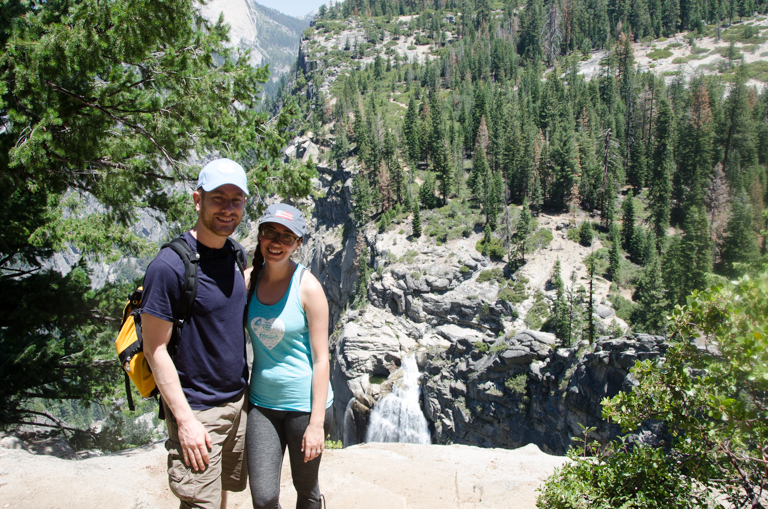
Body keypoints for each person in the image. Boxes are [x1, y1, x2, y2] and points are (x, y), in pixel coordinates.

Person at [142, 158, 250, 509]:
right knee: (198, 502)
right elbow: (154, 349)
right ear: (197, 199)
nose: (228, 209)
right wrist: (185, 421)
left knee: (219, 496)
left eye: (236, 200)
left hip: (237, 404)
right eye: (218, 198)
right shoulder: (169, 267)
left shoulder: (236, 254)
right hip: (198, 410)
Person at [245, 203, 333, 509]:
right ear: (260, 236)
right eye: (270, 232)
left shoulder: (309, 288)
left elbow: (322, 358)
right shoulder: (248, 281)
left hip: (304, 408)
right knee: (264, 496)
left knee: (306, 490)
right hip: (262, 406)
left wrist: (317, 425)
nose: (276, 242)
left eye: (286, 236)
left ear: (298, 243)